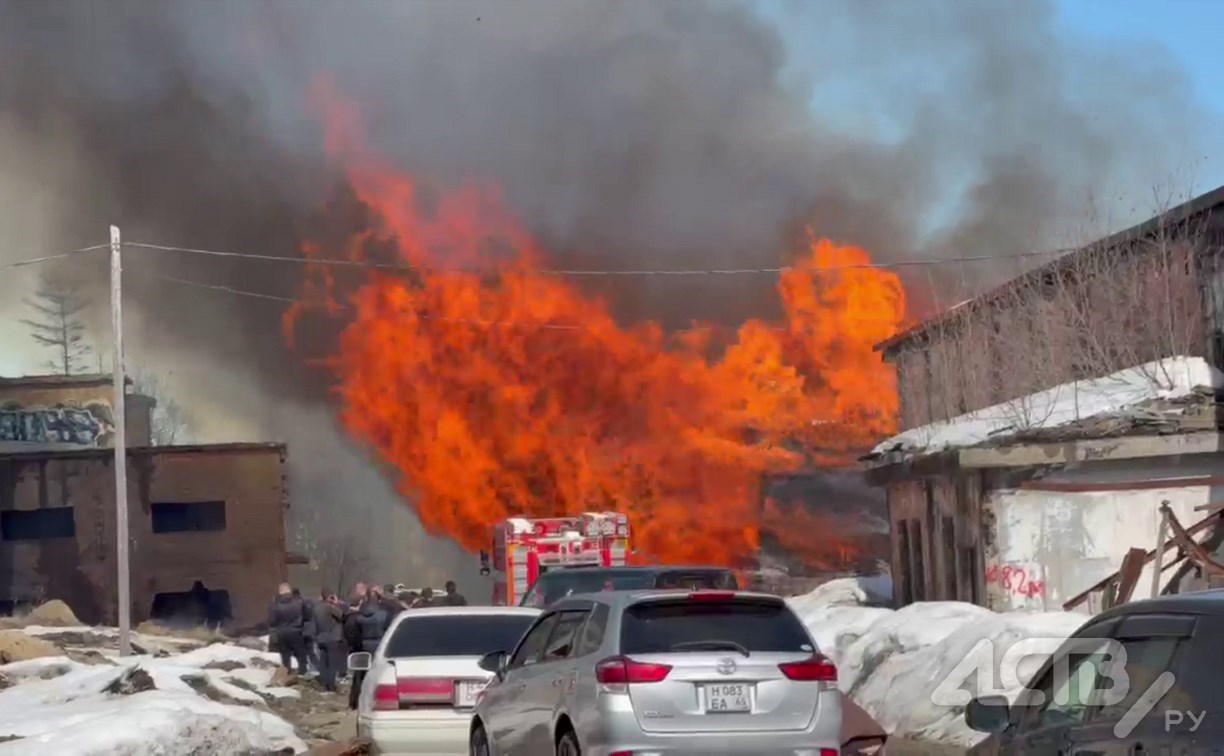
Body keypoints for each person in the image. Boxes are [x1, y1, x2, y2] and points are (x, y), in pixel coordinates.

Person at [347, 582, 392, 710]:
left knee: (360, 674)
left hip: (364, 645)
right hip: (380, 645)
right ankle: (378, 698)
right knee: (379, 673)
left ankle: (355, 702)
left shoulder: (359, 615)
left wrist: (356, 645)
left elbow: (354, 632)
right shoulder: (384, 613)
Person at [267, 583, 309, 675]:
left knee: (285, 655)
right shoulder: (298, 602)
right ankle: (303, 672)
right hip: (296, 631)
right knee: (300, 654)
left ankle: (287, 672)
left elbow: (272, 621)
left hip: (282, 633)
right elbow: (307, 615)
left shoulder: (275, 606)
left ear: (280, 593)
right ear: (290, 591)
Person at [313, 591, 345, 693]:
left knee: (323, 662)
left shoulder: (316, 607)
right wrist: (336, 604)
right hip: (332, 638)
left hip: (320, 637)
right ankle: (330, 686)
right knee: (331, 663)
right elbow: (341, 616)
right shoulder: (329, 607)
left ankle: (324, 684)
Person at [294, 587, 320, 675]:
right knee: (310, 652)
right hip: (310, 631)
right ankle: (318, 668)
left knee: (302, 652)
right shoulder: (306, 602)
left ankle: (303, 670)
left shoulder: (297, 604)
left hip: (302, 631)